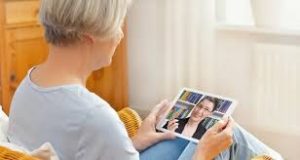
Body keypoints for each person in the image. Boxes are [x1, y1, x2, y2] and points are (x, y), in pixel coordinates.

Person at [7, 0, 234, 160]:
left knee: (204, 134)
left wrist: (133, 142)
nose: (121, 35)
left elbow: (73, 148)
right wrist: (204, 154)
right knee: (226, 139)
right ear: (90, 38)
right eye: (118, 24)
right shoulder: (94, 116)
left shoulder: (28, 85)